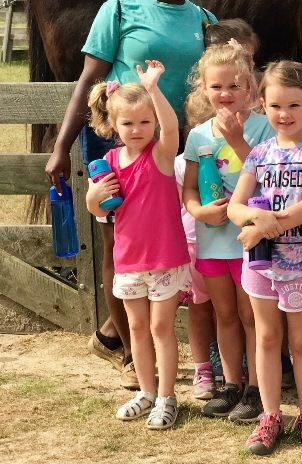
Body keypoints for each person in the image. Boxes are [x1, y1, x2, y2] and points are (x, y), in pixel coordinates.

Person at [45, 0, 215, 390]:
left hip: (174, 145)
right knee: (119, 245)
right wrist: (61, 147)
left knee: (174, 241)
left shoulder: (204, 19)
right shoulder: (118, 11)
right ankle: (128, 346)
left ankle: (114, 335)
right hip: (118, 140)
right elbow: (86, 82)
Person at [228, 61, 302, 455]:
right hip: (260, 265)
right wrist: (253, 219)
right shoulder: (259, 153)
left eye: (293, 105)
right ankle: (270, 416)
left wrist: (261, 225)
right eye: (275, 106)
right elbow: (234, 208)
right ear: (262, 104)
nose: (284, 114)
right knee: (267, 337)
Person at [85, 60, 190, 430]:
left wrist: (153, 87)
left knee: (161, 329)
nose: (137, 129)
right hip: (128, 260)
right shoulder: (109, 161)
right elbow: (98, 209)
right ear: (113, 125)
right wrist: (93, 196)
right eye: (128, 123)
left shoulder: (160, 156)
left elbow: (173, 126)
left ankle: (166, 397)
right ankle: (146, 392)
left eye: (145, 122)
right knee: (137, 329)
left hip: (164, 259)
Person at [182, 43, 273, 423]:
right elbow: (188, 189)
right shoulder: (198, 135)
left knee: (251, 315)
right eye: (217, 86)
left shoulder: (264, 126)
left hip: (250, 240)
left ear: (251, 87)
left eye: (235, 86)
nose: (226, 94)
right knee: (224, 314)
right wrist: (199, 210)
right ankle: (231, 383)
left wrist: (236, 140)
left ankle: (256, 387)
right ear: (203, 88)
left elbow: (270, 175)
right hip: (212, 240)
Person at [173, 153, 217, 401]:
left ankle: (233, 366)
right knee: (198, 308)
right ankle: (203, 368)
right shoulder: (181, 163)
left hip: (227, 245)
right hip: (192, 244)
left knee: (227, 310)